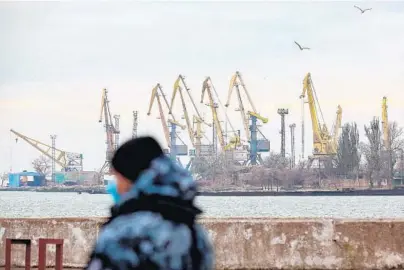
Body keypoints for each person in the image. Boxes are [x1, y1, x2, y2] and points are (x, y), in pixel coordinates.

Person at [86, 136, 214, 270]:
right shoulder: (195, 233)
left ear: (130, 179)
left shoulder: (124, 233)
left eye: (117, 178)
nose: (115, 186)